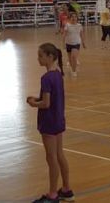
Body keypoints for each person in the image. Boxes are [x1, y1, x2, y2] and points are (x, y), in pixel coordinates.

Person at [27, 43, 74, 203]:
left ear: (50, 57)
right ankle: (66, 189)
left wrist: (34, 103)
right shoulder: (58, 74)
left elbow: (46, 104)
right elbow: (51, 99)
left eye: (41, 55)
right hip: (59, 119)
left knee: (51, 157)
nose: (38, 59)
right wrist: (38, 99)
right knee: (60, 154)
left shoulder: (46, 78)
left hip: (49, 121)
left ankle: (53, 194)